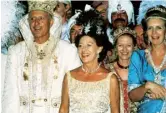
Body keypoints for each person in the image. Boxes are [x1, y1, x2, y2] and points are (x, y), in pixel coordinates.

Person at [2, 1, 81, 113]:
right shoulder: (16, 52)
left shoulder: (68, 51)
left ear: (51, 22)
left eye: (41, 18)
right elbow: (10, 95)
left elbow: (75, 94)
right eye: (32, 19)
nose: (36, 23)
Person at [59, 14, 120, 113]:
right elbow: (63, 109)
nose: (84, 50)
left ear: (99, 49)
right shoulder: (69, 76)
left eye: (89, 45)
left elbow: (115, 111)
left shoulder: (110, 79)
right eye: (80, 45)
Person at [128, 5, 166, 113]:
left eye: (159, 27)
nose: (154, 33)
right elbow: (132, 96)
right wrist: (147, 86)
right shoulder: (138, 57)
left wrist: (162, 93)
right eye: (150, 28)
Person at [109, 27, 138, 113]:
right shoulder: (107, 70)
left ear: (134, 47)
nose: (124, 50)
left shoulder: (142, 70)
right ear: (115, 47)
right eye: (120, 45)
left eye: (128, 45)